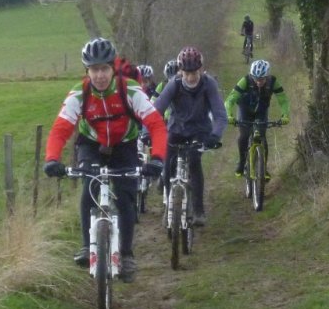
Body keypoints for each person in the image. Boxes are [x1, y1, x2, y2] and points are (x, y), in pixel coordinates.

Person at [43, 38, 167, 282]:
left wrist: (157, 158)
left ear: (113, 68)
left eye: (104, 69)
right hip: (91, 145)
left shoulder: (130, 90)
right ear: (87, 71)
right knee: (89, 186)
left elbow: (156, 125)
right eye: (94, 69)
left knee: (126, 196)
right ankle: (86, 245)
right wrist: (52, 159)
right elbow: (60, 128)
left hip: (124, 145)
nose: (99, 75)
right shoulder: (80, 93)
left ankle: (127, 254)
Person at [153, 46, 227, 227]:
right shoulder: (174, 84)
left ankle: (199, 210)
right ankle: (169, 207)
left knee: (194, 161)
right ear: (180, 71)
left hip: (200, 130)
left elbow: (220, 114)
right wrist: (151, 133)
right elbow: (156, 111)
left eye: (194, 72)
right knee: (168, 165)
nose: (191, 77)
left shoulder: (209, 84)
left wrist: (215, 135)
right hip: (177, 130)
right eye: (186, 73)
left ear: (200, 70)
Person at [224, 59, 290, 180]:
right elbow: (230, 100)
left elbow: (283, 100)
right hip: (245, 110)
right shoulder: (245, 81)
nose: (259, 82)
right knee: (244, 135)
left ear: (267, 76)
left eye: (262, 79)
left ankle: (263, 169)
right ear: (251, 75)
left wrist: (285, 115)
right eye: (256, 78)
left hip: (261, 111)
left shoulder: (273, 82)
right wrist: (229, 115)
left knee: (262, 138)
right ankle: (242, 162)